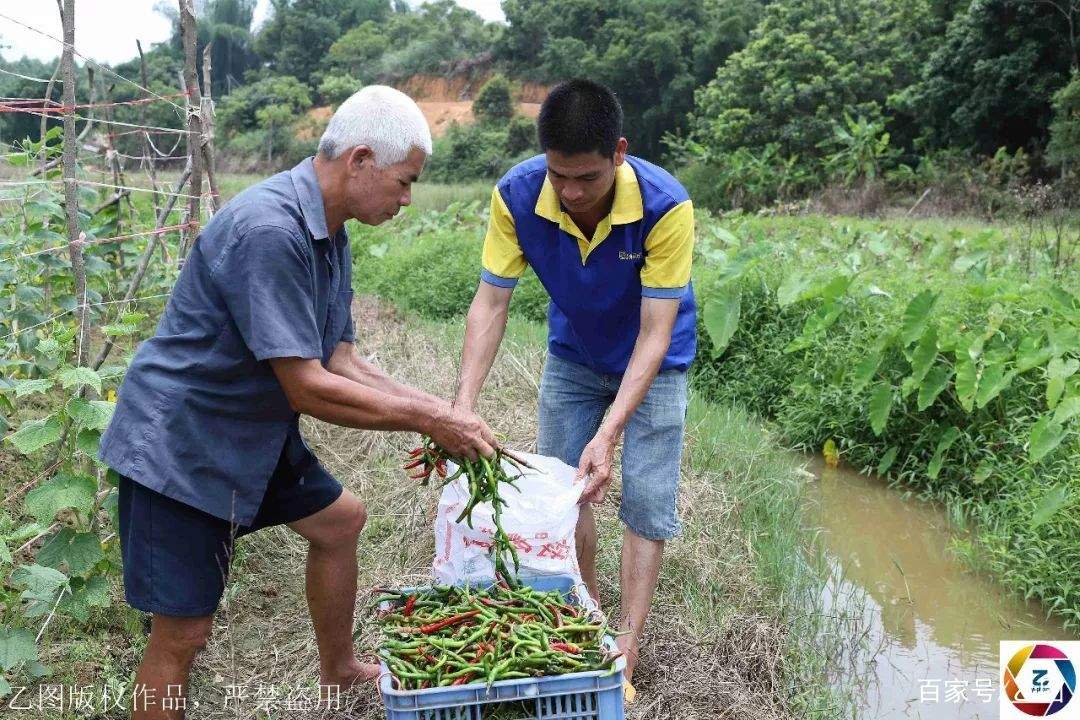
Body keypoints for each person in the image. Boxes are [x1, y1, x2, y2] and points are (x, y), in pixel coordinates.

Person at [99, 85, 496, 719]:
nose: (407, 199)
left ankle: (338, 672)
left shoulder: (330, 232)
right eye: (403, 182)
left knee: (340, 521)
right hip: (182, 443)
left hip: (249, 431)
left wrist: (446, 415)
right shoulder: (269, 229)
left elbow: (342, 358)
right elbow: (307, 387)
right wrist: (430, 419)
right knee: (183, 636)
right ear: (359, 160)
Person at [453, 79, 696, 684]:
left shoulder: (667, 206)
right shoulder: (516, 195)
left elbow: (654, 335)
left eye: (587, 178)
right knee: (568, 489)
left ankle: (628, 644)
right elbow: (490, 305)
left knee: (644, 499)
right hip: (573, 355)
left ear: (619, 152)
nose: (571, 192)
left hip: (654, 362)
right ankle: (587, 619)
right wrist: (460, 407)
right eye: (559, 175)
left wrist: (610, 432)